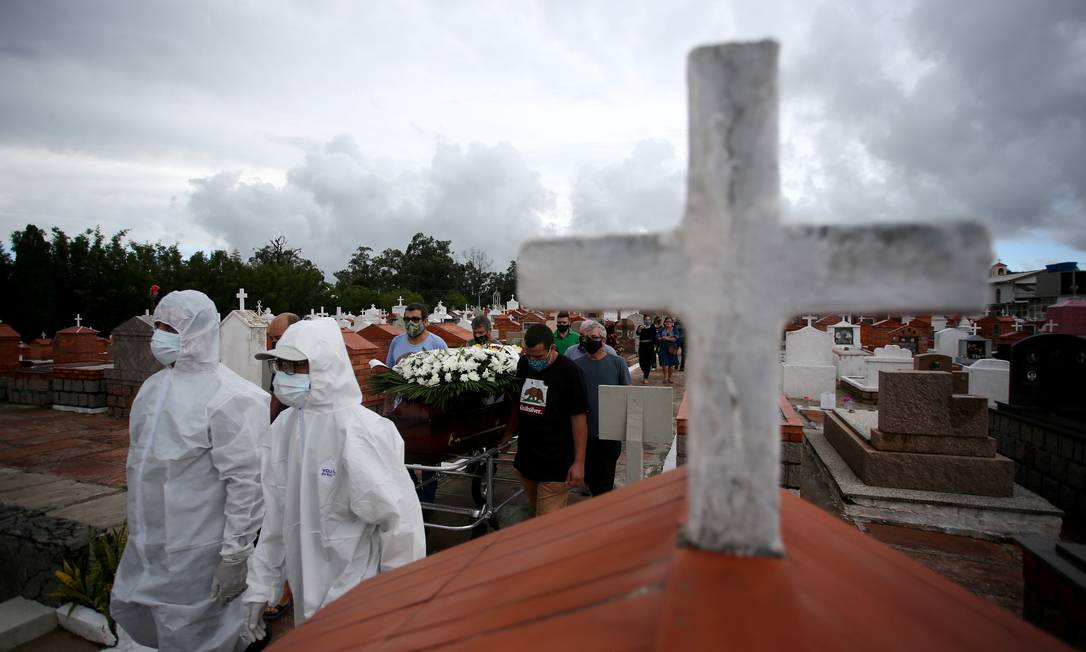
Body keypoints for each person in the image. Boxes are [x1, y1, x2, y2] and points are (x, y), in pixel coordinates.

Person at [243, 318, 425, 642]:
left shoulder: (360, 431)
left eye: (295, 366)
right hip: (305, 591)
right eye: (280, 365)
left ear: (324, 365)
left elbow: (400, 524)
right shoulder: (284, 428)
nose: (283, 375)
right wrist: (260, 586)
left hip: (357, 597)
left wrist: (401, 604)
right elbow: (274, 518)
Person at [111, 290, 269, 652]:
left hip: (198, 550)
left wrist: (235, 555)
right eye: (159, 325)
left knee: (197, 632)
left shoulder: (233, 397)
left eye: (171, 327)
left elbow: (246, 484)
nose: (159, 336)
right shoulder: (152, 389)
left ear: (198, 332)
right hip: (149, 543)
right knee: (149, 621)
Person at [501, 323, 588, 516]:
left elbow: (579, 417)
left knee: (547, 523)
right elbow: (519, 403)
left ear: (552, 349)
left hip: (556, 463)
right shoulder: (523, 364)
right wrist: (508, 433)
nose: (533, 360)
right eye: (529, 354)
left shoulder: (570, 372)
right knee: (536, 513)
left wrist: (579, 462)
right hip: (527, 458)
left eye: (538, 356)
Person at [571, 320, 631, 496]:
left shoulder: (617, 363)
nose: (589, 341)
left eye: (594, 337)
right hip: (585, 432)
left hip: (609, 432)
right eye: (586, 337)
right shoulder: (577, 365)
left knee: (605, 480)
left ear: (603, 340)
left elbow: (627, 394)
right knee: (589, 477)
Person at [657, 317, 679, 384]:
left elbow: (675, 338)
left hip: (672, 348)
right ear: (664, 322)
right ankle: (665, 377)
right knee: (664, 363)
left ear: (672, 323)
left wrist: (665, 338)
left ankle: (670, 378)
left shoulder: (675, 329)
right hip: (663, 348)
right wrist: (669, 337)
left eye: (669, 321)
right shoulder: (661, 329)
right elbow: (658, 338)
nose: (668, 323)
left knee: (671, 364)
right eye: (667, 321)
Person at [635, 316, 657, 384]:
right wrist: (640, 329)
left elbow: (654, 336)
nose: (647, 321)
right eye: (646, 320)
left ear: (650, 320)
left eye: (648, 319)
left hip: (650, 345)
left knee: (648, 361)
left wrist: (655, 346)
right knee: (641, 361)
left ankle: (646, 377)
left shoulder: (652, 327)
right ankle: (645, 373)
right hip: (642, 345)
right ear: (644, 320)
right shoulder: (641, 326)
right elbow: (637, 333)